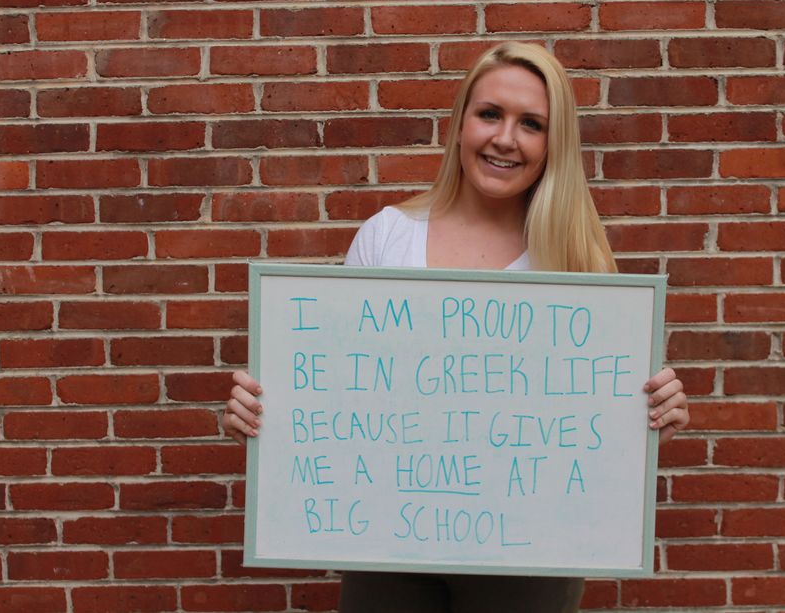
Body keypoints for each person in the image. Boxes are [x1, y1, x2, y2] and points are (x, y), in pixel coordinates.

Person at [224, 42, 689, 613]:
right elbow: (337, 395)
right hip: (388, 542)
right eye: (490, 114)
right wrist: (267, 416)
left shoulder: (577, 264)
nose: (505, 139)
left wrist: (648, 421)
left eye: (532, 124)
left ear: (554, 144)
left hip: (531, 554)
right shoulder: (387, 237)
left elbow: (597, 429)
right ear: (461, 123)